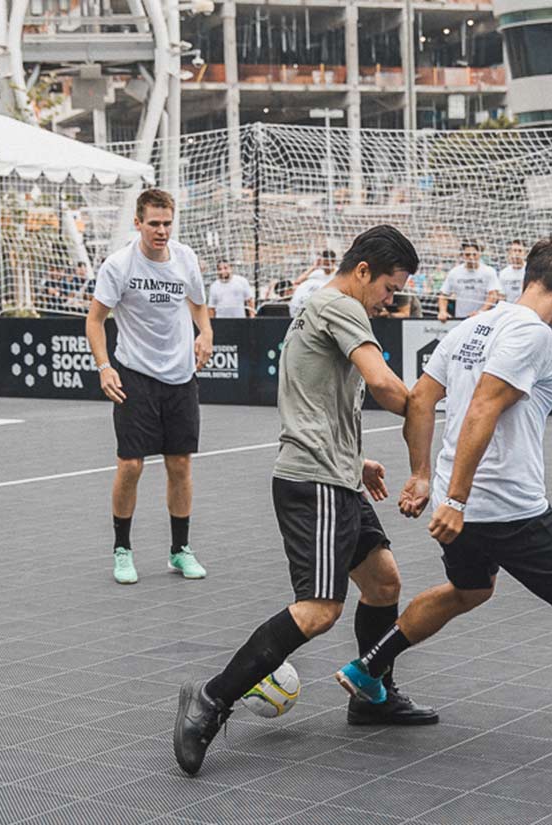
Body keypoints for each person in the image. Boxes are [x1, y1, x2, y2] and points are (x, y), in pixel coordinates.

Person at [334, 237, 552, 778]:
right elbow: (483, 403)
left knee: (470, 589)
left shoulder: (472, 326)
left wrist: (423, 476)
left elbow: (420, 399)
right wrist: (452, 497)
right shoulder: (533, 334)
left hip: (464, 511)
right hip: (508, 508)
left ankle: (370, 667)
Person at [173, 226, 438, 777]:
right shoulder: (341, 305)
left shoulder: (317, 308)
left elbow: (309, 392)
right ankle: (211, 699)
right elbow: (388, 388)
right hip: (313, 479)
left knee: (384, 581)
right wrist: (427, 403)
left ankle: (372, 696)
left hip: (336, 471)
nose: (391, 301)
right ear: (363, 271)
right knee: (319, 609)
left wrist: (355, 457)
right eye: (390, 288)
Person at [86, 188, 214, 585]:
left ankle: (180, 550)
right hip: (134, 375)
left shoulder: (186, 258)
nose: (161, 231)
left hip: (180, 376)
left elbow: (197, 301)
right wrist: (104, 367)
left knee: (180, 465)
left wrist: (205, 331)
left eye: (167, 223)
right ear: (138, 223)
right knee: (131, 465)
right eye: (154, 223)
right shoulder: (119, 265)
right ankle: (122, 550)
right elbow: (95, 321)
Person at [437, 239, 499, 322]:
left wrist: (481, 312)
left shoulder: (488, 271)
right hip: (461, 319)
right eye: (467, 254)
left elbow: (493, 295)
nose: (471, 257)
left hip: (483, 320)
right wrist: (442, 311)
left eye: (474, 254)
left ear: (479, 254)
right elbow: (443, 294)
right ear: (462, 255)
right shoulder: (455, 272)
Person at [289, 250, 338, 318]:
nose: (325, 266)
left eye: (327, 264)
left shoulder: (338, 274)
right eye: (323, 263)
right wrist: (314, 267)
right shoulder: (317, 273)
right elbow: (298, 281)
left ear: (333, 262)